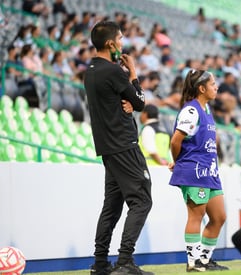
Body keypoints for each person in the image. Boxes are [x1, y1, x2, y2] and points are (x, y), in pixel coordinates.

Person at [84, 21, 153, 275]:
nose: (123, 44)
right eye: (121, 39)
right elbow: (141, 102)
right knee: (142, 199)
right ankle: (125, 261)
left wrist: (127, 103)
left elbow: (125, 103)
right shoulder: (114, 72)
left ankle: (100, 263)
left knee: (112, 206)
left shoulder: (90, 70)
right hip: (124, 144)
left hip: (108, 148)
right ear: (111, 44)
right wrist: (133, 74)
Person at [168, 69, 228, 272]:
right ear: (201, 88)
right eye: (212, 84)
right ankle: (193, 263)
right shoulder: (191, 111)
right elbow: (175, 141)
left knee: (219, 217)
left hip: (210, 171)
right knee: (196, 216)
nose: (216, 86)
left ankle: (204, 259)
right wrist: (179, 161)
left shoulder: (207, 110)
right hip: (194, 169)